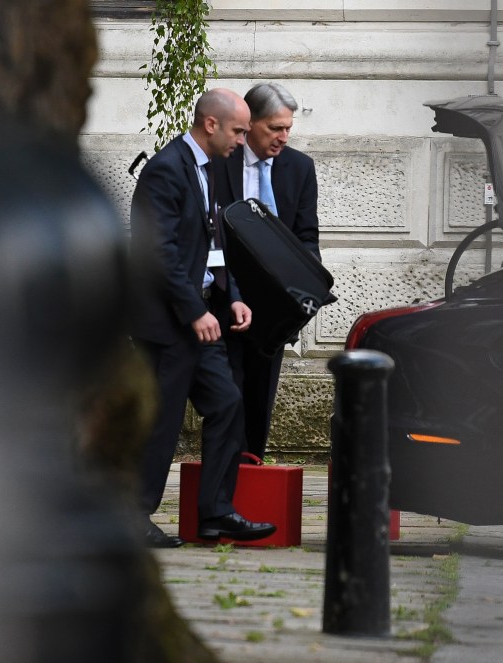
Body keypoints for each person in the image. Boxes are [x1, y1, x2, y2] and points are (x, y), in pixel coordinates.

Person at [130, 88, 277, 548]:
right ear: (210, 124)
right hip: (169, 324)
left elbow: (213, 244)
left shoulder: (208, 168)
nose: (242, 139)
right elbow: (158, 253)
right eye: (237, 130)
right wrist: (194, 310)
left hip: (202, 320)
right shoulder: (164, 170)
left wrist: (230, 296)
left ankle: (215, 512)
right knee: (161, 422)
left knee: (228, 403)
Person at [215, 82, 322, 460]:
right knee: (226, 404)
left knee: (259, 406)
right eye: (275, 128)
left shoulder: (299, 168)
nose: (284, 136)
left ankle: (249, 487)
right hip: (225, 302)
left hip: (274, 312)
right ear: (250, 122)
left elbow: (307, 237)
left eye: (288, 128)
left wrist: (303, 291)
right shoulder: (221, 160)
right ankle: (220, 491)